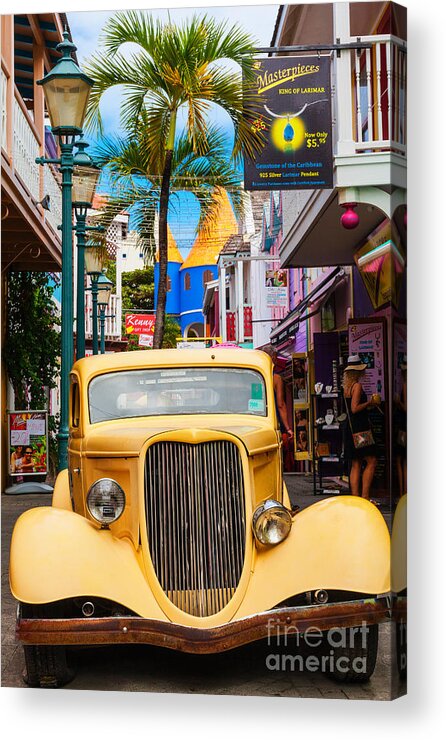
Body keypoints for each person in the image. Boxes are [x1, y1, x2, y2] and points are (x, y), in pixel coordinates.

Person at [342, 355, 379, 503]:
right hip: (360, 429)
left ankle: (355, 497)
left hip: (351, 429)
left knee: (356, 463)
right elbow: (355, 408)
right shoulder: (357, 386)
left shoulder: (346, 387)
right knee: (372, 460)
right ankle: (364, 496)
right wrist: (369, 402)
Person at [262, 346, 293, 440]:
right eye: (275, 358)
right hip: (273, 422)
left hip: (259, 422)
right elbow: (280, 404)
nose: (276, 361)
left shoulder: (254, 376)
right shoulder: (276, 378)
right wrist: (288, 428)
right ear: (272, 358)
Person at [394, 357, 407, 500]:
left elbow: (407, 408)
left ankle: (403, 492)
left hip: (404, 425)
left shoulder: (405, 385)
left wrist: (398, 402)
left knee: (401, 459)